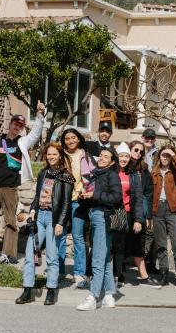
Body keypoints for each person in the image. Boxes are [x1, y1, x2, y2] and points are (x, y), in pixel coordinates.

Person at [0, 103, 46, 264]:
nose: (17, 127)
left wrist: (39, 115)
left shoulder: (22, 142)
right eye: (15, 124)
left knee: (11, 221)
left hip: (10, 188)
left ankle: (8, 254)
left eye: (20, 126)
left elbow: (36, 134)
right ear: (10, 124)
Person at [15, 142, 74, 306]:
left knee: (52, 257)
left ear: (60, 155)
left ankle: (51, 291)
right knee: (29, 255)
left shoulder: (66, 176)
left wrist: (61, 223)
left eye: (54, 154)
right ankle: (27, 290)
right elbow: (37, 196)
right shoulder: (43, 173)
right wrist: (32, 211)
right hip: (39, 216)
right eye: (49, 154)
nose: (51, 157)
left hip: (54, 220)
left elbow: (67, 203)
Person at [76, 148, 122, 310]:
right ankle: (109, 294)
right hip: (95, 216)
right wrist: (84, 196)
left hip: (104, 217)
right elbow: (94, 195)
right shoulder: (96, 174)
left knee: (97, 257)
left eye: (106, 156)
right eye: (101, 155)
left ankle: (93, 296)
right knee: (103, 258)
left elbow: (116, 198)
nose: (102, 158)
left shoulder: (112, 175)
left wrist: (94, 195)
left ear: (112, 162)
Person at [61, 127, 95, 289]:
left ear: (79, 139)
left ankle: (80, 273)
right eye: (67, 138)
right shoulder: (60, 155)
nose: (71, 141)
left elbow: (93, 179)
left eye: (73, 137)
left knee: (78, 237)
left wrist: (88, 191)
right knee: (59, 236)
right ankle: (59, 269)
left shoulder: (85, 156)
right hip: (61, 202)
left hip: (78, 202)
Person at [111, 142, 146, 288]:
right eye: (121, 156)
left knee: (120, 248)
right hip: (111, 213)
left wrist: (138, 219)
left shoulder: (132, 175)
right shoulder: (110, 172)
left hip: (126, 213)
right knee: (109, 247)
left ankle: (116, 276)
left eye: (126, 156)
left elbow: (138, 198)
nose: (124, 159)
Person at [151, 145, 176, 289]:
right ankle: (164, 273)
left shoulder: (174, 171)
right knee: (161, 245)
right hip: (158, 209)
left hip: (173, 210)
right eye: (163, 155)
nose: (165, 158)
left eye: (168, 155)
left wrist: (173, 154)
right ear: (159, 156)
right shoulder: (154, 172)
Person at [130, 141, 158, 278]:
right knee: (118, 243)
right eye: (136, 150)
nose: (138, 153)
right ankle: (117, 274)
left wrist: (147, 216)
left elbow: (148, 194)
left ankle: (144, 275)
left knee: (138, 242)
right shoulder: (121, 166)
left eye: (141, 151)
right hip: (123, 210)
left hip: (139, 211)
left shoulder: (144, 169)